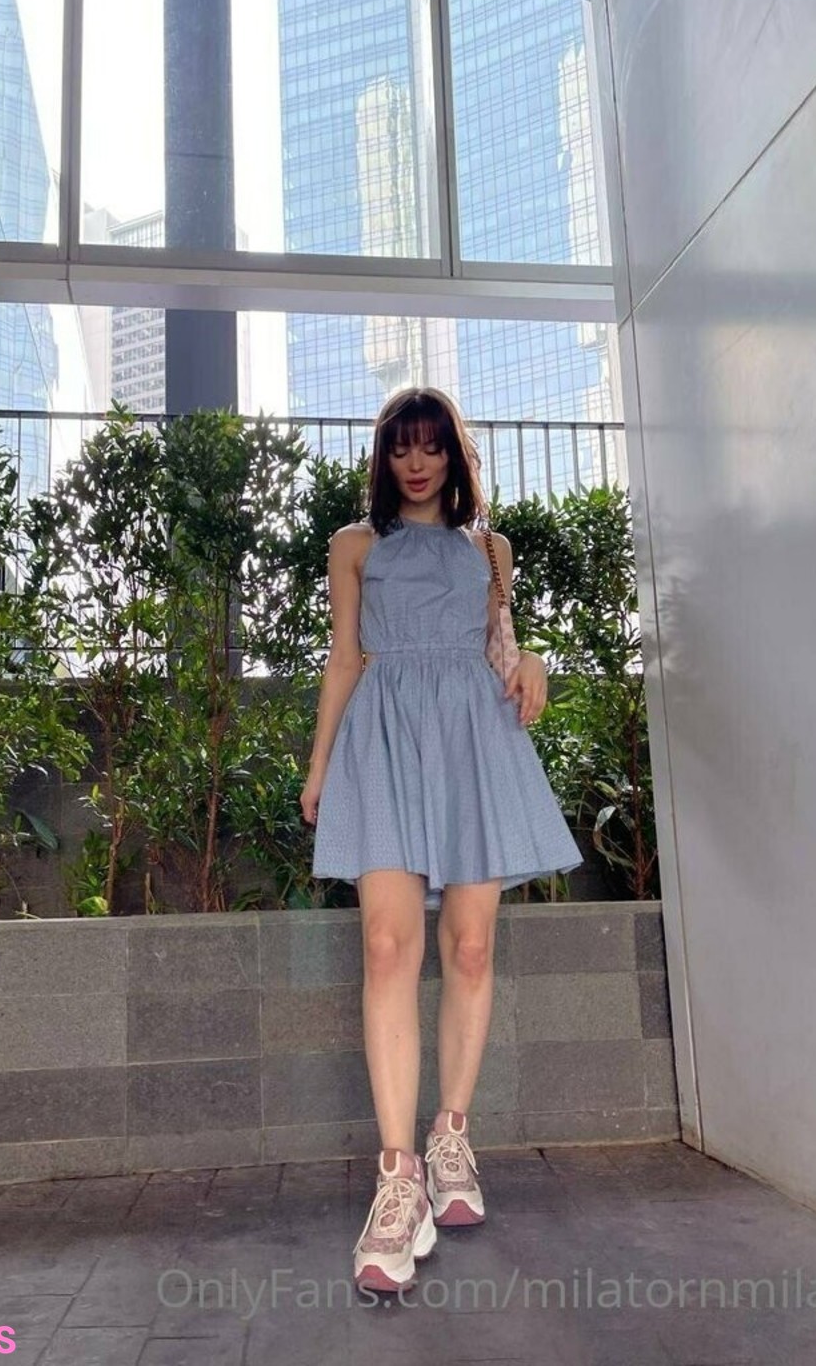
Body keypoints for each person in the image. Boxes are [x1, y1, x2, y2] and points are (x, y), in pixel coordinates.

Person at [300, 386, 583, 1294]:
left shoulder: (491, 550)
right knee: (388, 946)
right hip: (384, 738)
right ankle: (399, 1181)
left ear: (454, 457)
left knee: (470, 947)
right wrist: (319, 768)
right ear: (383, 459)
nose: (416, 462)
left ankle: (451, 1136)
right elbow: (345, 657)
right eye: (400, 447)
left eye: (431, 447)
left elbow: (503, 652)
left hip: (471, 740)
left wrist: (531, 660)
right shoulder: (354, 545)